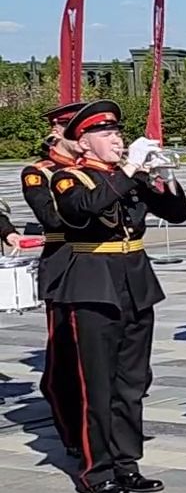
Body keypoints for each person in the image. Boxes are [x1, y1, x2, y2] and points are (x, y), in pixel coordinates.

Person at [48, 100, 186, 493]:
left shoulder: (128, 177)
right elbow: (84, 209)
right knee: (98, 383)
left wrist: (164, 178)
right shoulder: (69, 178)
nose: (117, 140)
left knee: (132, 382)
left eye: (117, 133)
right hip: (94, 284)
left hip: (136, 281)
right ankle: (97, 470)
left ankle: (127, 464)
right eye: (106, 134)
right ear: (84, 143)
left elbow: (176, 213)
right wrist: (129, 171)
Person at [21, 101, 84, 456]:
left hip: (107, 267)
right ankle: (72, 430)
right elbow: (53, 218)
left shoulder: (101, 170)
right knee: (66, 353)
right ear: (57, 131)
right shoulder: (40, 173)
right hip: (64, 262)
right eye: (73, 127)